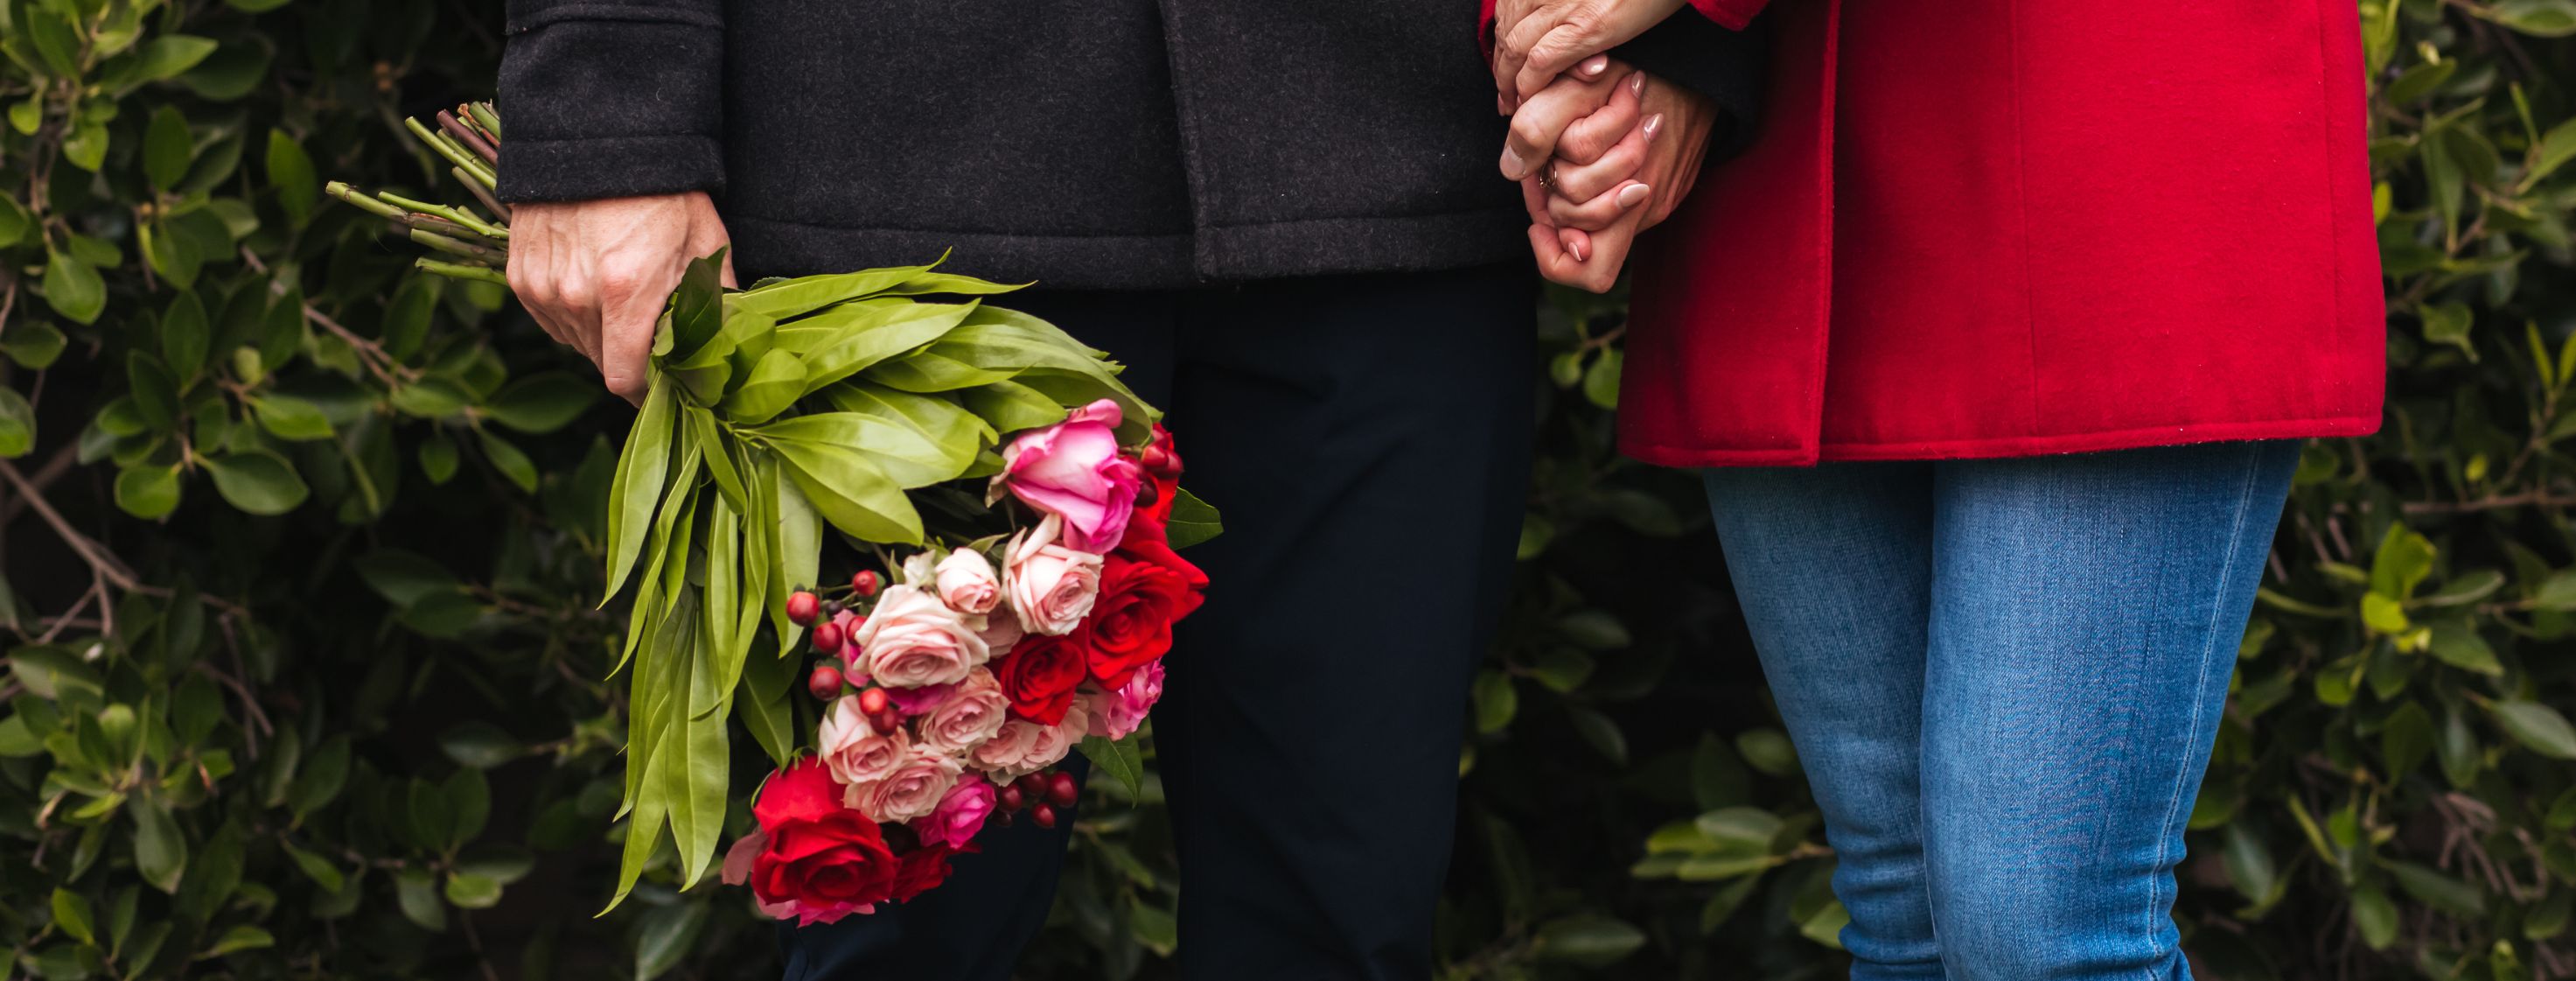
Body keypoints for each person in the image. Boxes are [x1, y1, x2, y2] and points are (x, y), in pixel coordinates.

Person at [490, 1, 1696, 977]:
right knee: (901, 935)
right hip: (897, 181)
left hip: (1403, 145)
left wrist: (1677, 32)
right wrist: (606, 89)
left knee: (1339, 912)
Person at [1488, 1, 2386, 978]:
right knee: (1899, 908)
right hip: (1781, 126)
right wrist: (1613, 57)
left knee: (2038, 930)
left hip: (2098, 107)